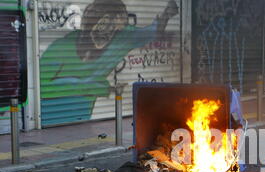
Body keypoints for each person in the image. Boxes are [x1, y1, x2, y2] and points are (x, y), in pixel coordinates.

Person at [39, 0, 179, 125]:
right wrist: (90, 86)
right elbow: (40, 86)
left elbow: (150, 32)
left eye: (117, 30)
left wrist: (166, 14)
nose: (110, 33)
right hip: (48, 119)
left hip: (81, 120)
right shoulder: (62, 47)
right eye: (107, 24)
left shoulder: (120, 40)